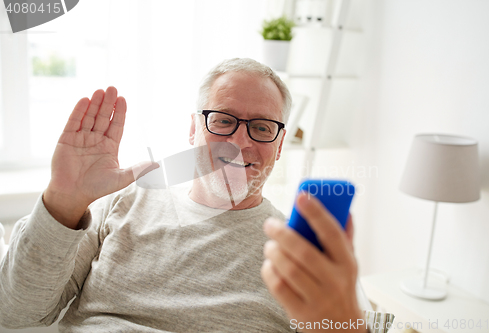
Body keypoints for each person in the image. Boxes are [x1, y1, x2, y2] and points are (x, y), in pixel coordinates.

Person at [0, 58, 391, 332]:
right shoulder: (123, 202)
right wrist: (63, 201)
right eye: (222, 121)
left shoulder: (293, 249)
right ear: (193, 129)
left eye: (261, 127)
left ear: (280, 142)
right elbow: (16, 312)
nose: (239, 143)